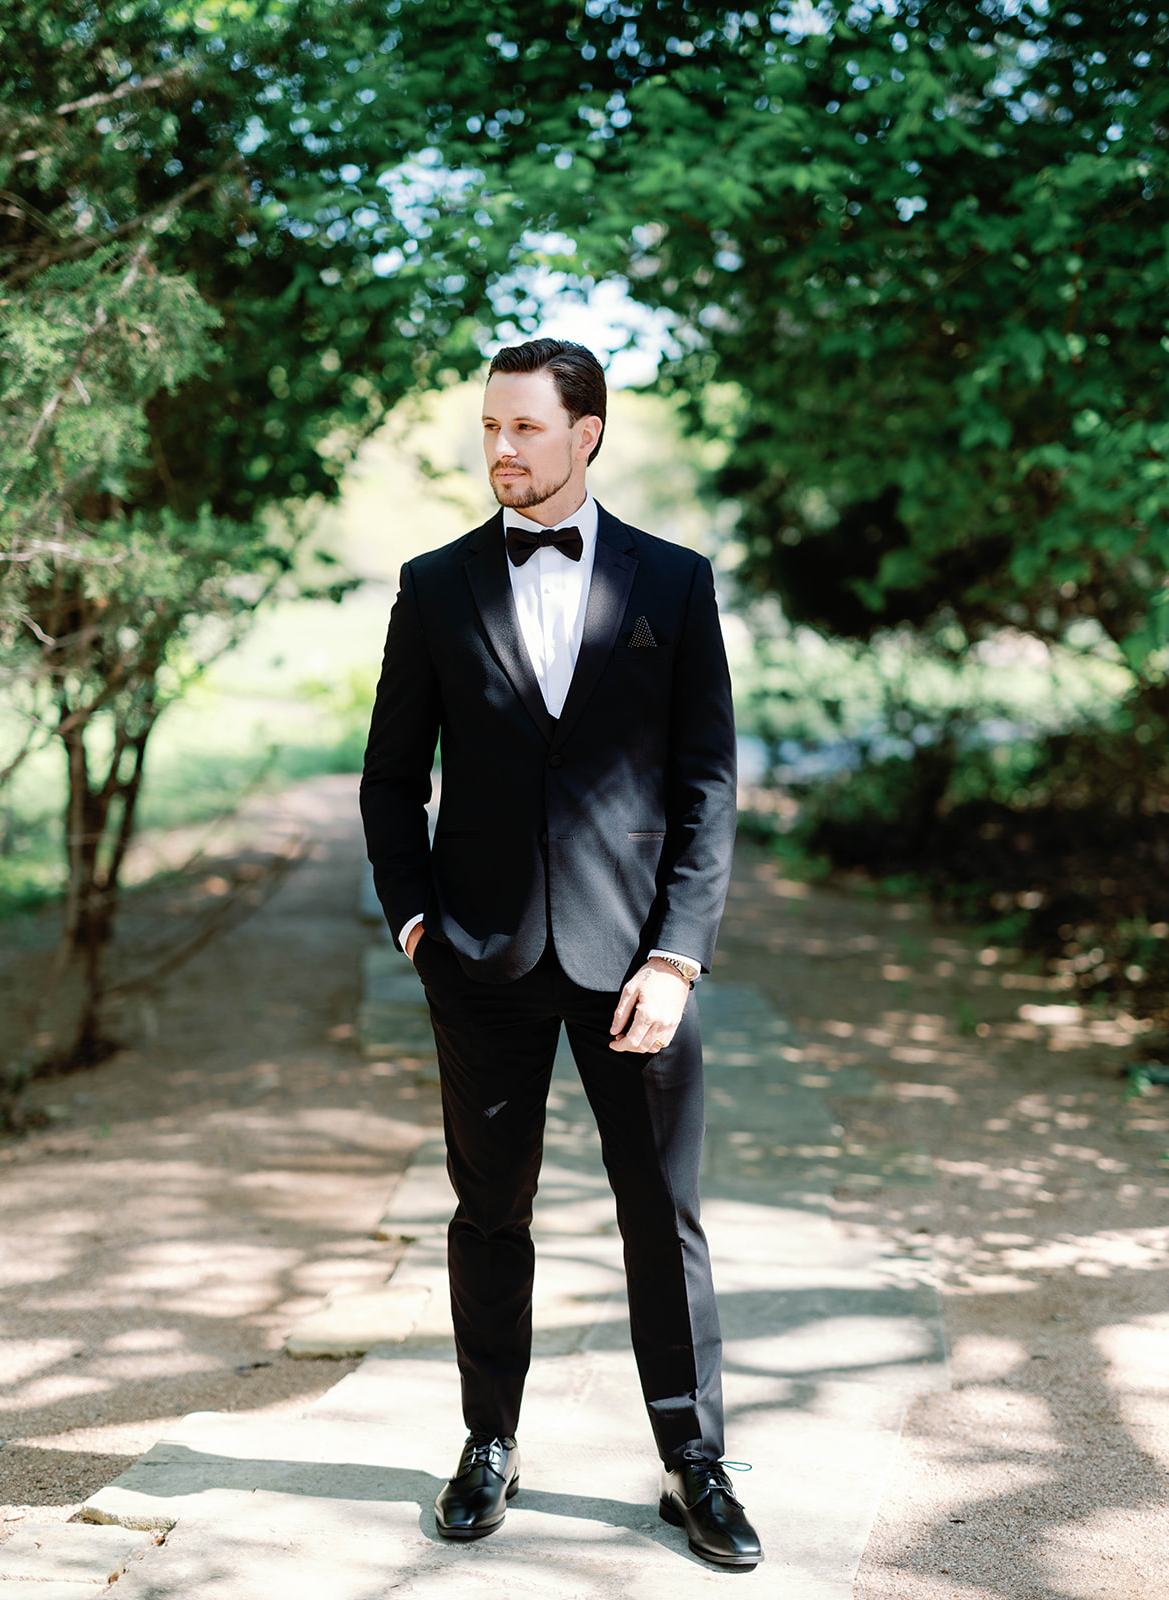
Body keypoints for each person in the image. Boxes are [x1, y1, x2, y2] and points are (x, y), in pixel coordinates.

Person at [359, 337, 761, 1569]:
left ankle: (695, 1461)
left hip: (639, 966)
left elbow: (707, 783)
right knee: (490, 1213)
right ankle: (490, 1439)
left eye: (525, 428)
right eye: (490, 427)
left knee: (662, 1215)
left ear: (586, 432)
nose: (501, 451)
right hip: (478, 960)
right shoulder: (433, 586)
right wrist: (416, 922)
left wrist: (678, 956)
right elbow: (389, 780)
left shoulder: (675, 583)